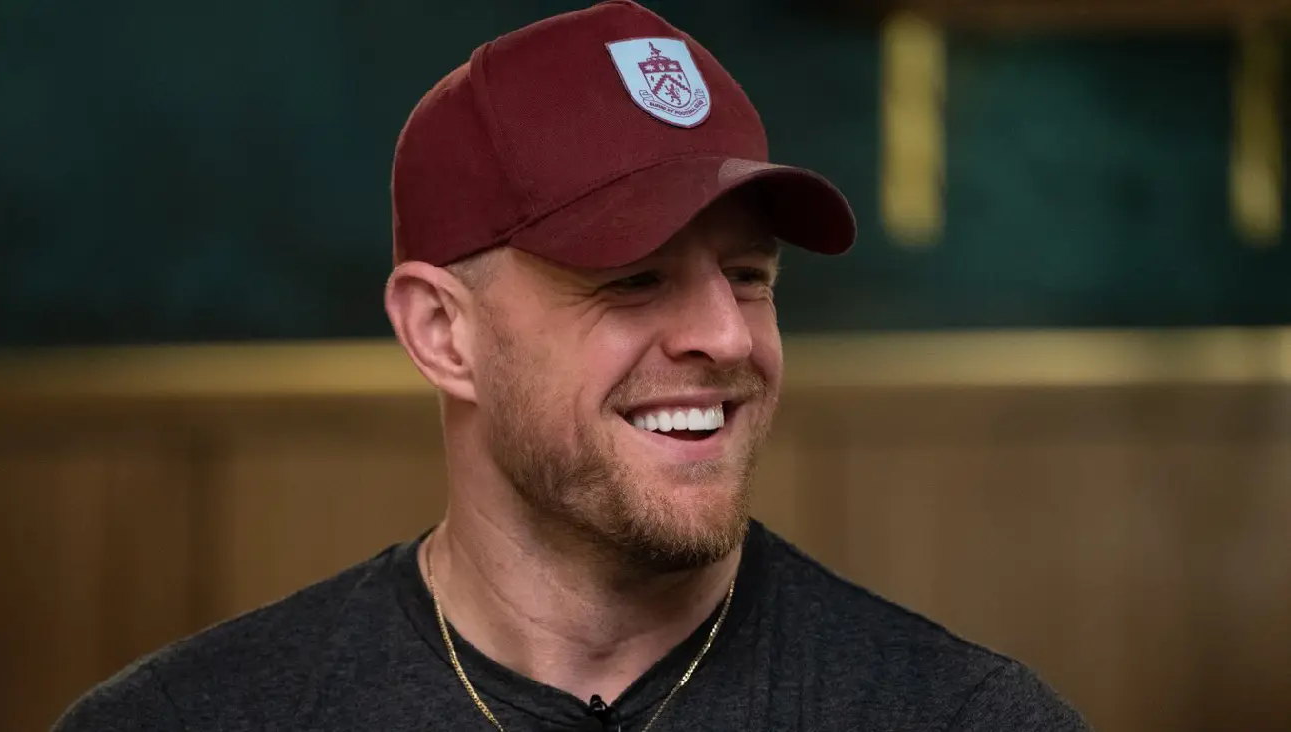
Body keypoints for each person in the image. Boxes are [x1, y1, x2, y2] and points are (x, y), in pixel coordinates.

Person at [54, 1, 1090, 730]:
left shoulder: (962, 717)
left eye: (748, 277)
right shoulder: (189, 720)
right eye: (632, 279)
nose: (727, 338)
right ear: (442, 333)